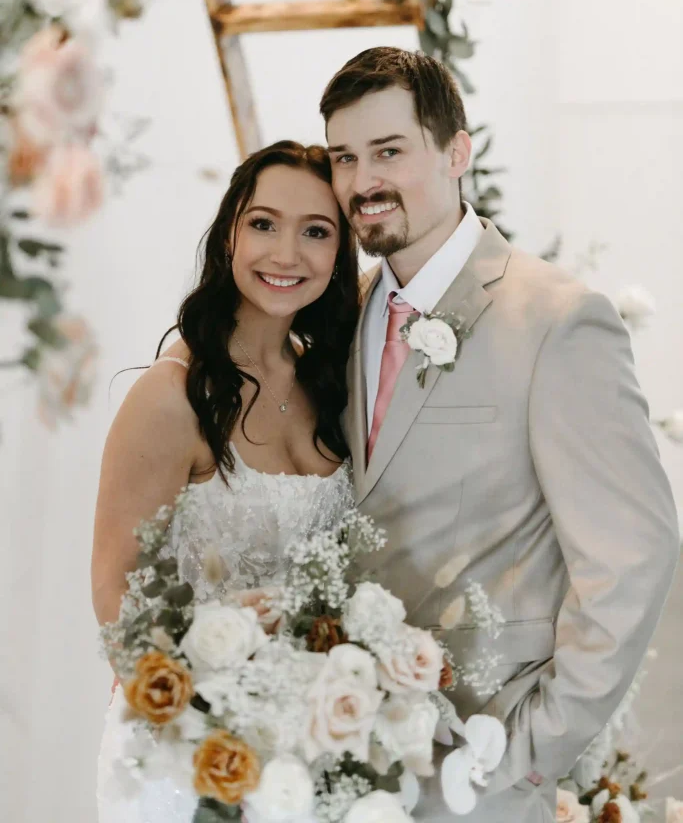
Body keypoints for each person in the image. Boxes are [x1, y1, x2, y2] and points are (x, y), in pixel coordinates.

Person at [321, 46, 680, 823]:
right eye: (343, 157)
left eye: (388, 151)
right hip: (341, 767)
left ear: (456, 152)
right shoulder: (337, 316)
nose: (361, 181)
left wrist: (527, 755)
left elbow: (632, 555)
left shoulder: (557, 320)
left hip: (484, 774)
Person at [92, 141, 359, 823]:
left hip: (310, 750)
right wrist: (202, 736)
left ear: (339, 254)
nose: (285, 254)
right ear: (229, 235)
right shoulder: (170, 397)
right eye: (263, 224)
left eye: (316, 232)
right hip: (192, 754)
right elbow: (116, 591)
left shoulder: (334, 386)